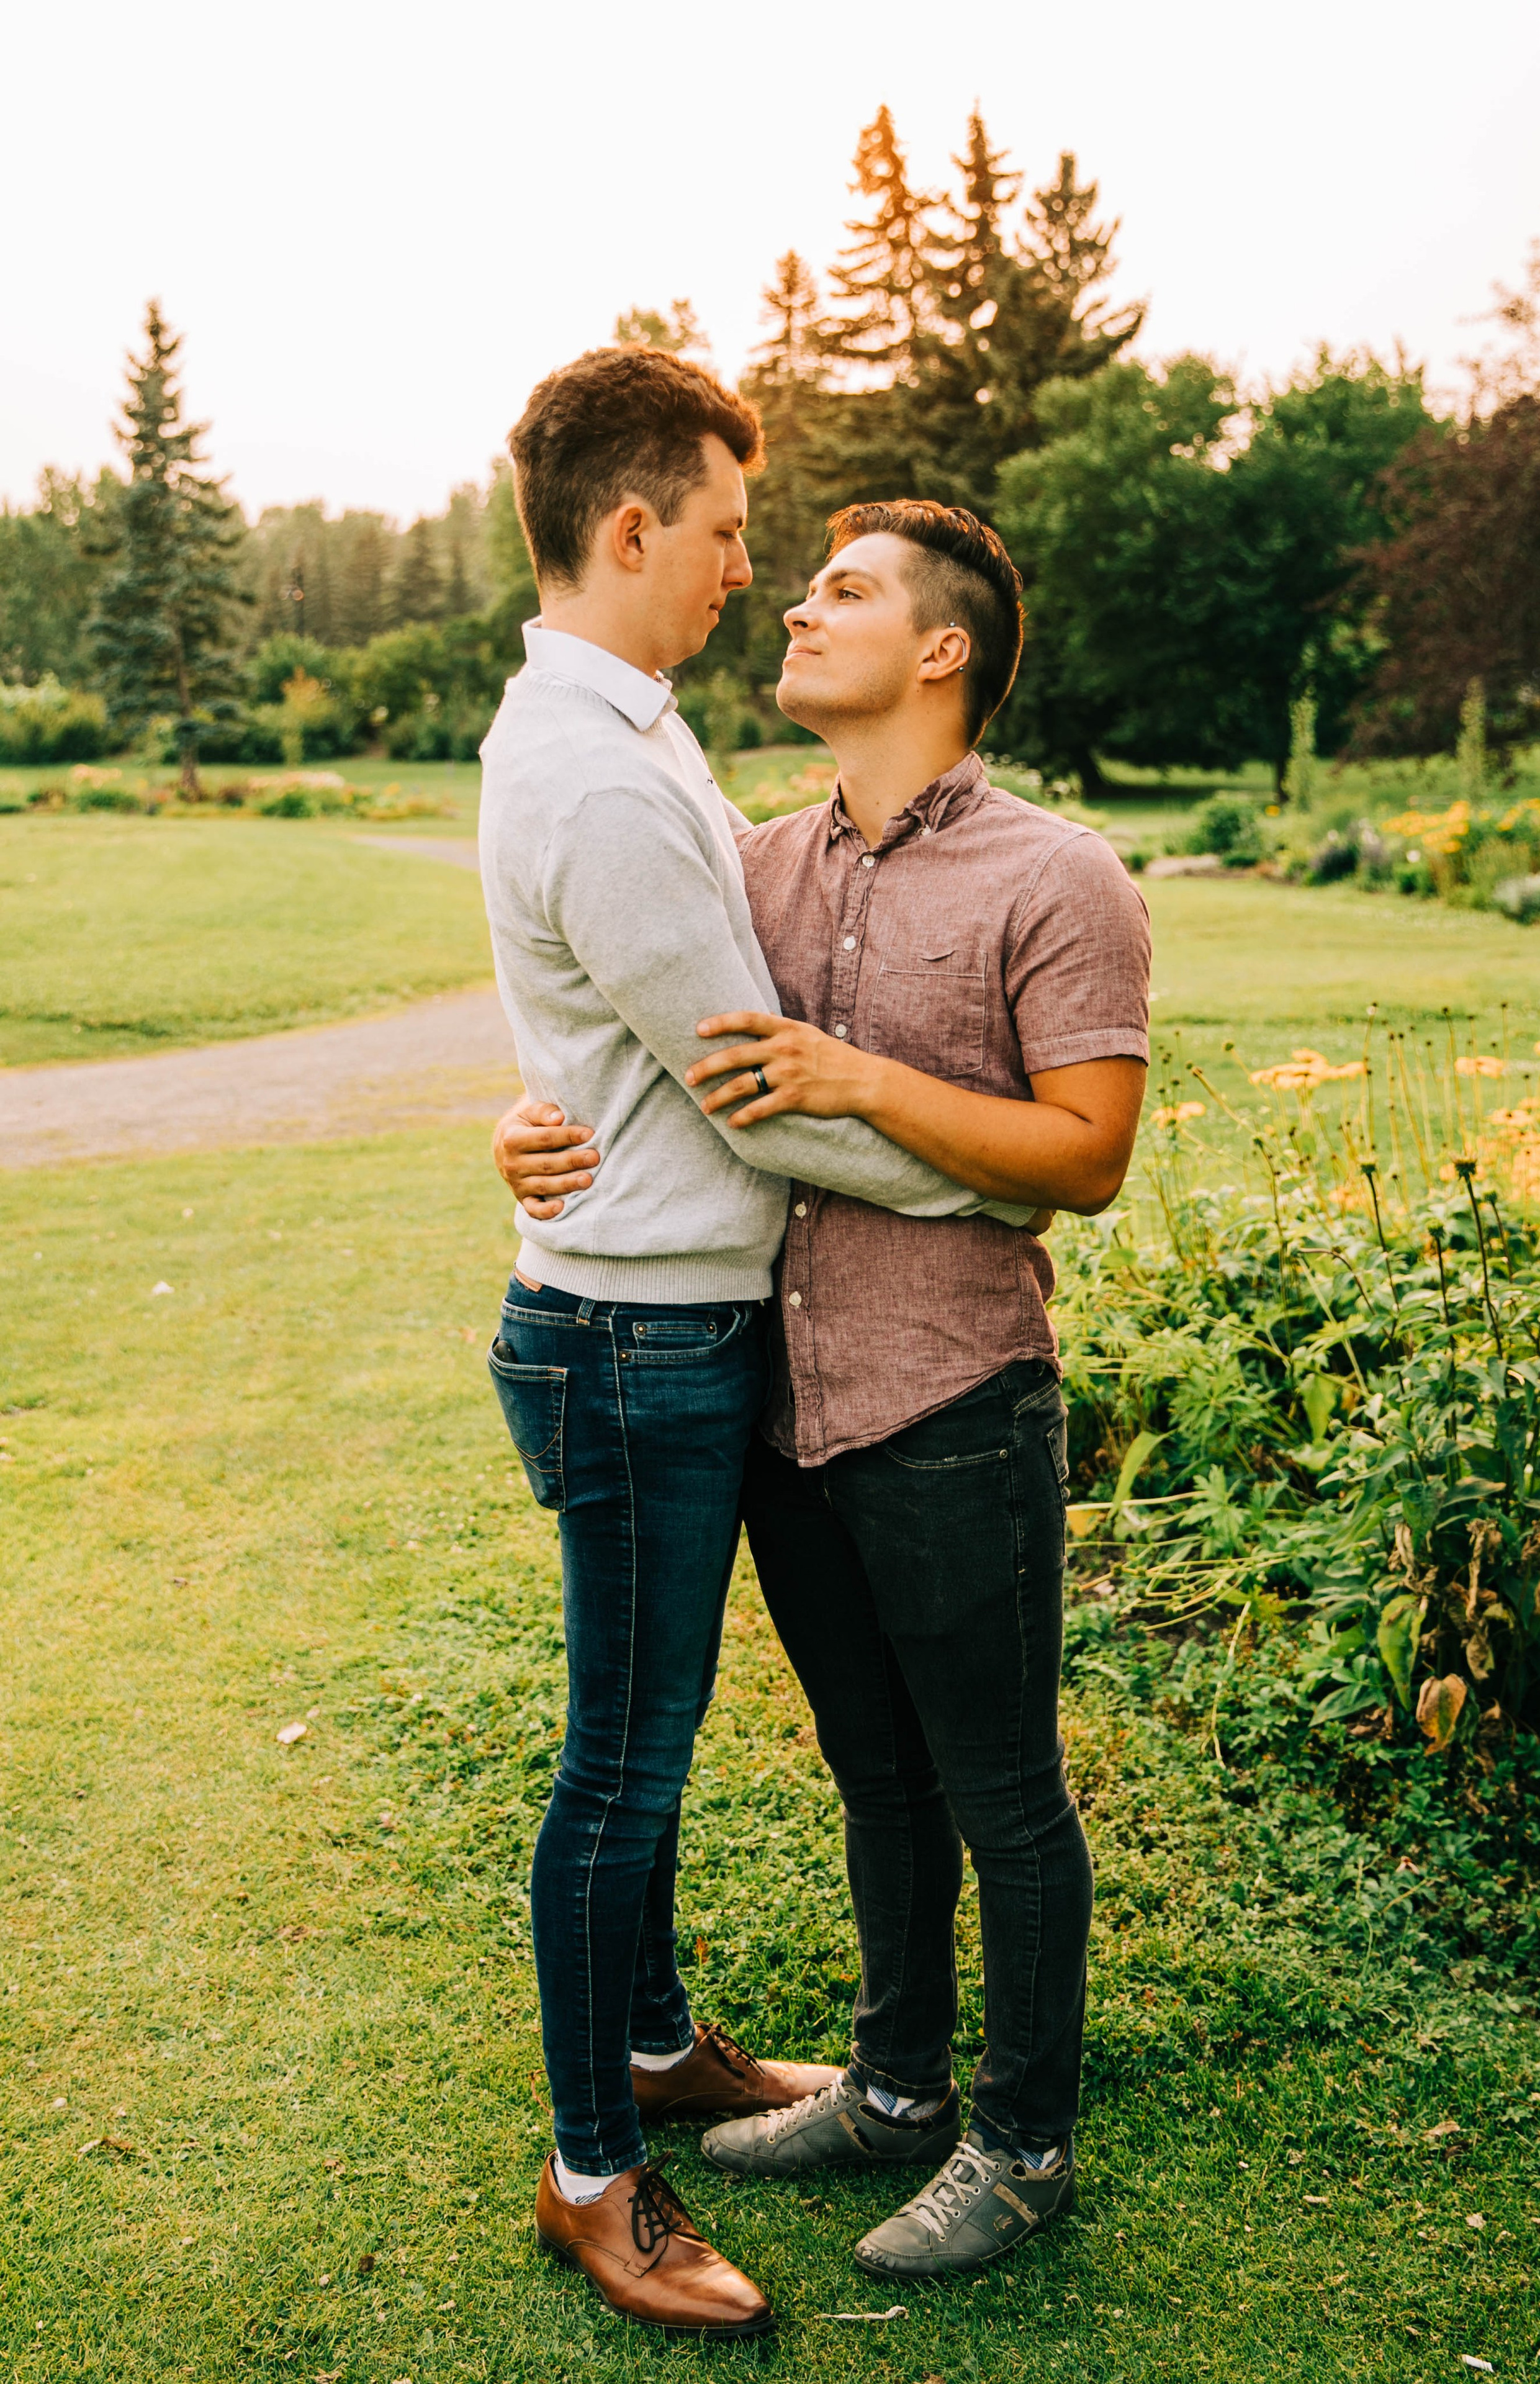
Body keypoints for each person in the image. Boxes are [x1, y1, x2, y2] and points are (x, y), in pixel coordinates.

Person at [498, 498, 1151, 2285]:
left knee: (1002, 1789)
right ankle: (895, 2086)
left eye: (846, 589)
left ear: (943, 650)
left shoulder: (1059, 879)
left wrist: (861, 1083)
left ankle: (1020, 2140)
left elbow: (1083, 1158)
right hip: (782, 1411)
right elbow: (640, 1050)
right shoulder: (752, 859)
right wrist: (525, 1128)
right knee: (874, 1771)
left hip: (955, 1401)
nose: (794, 599)